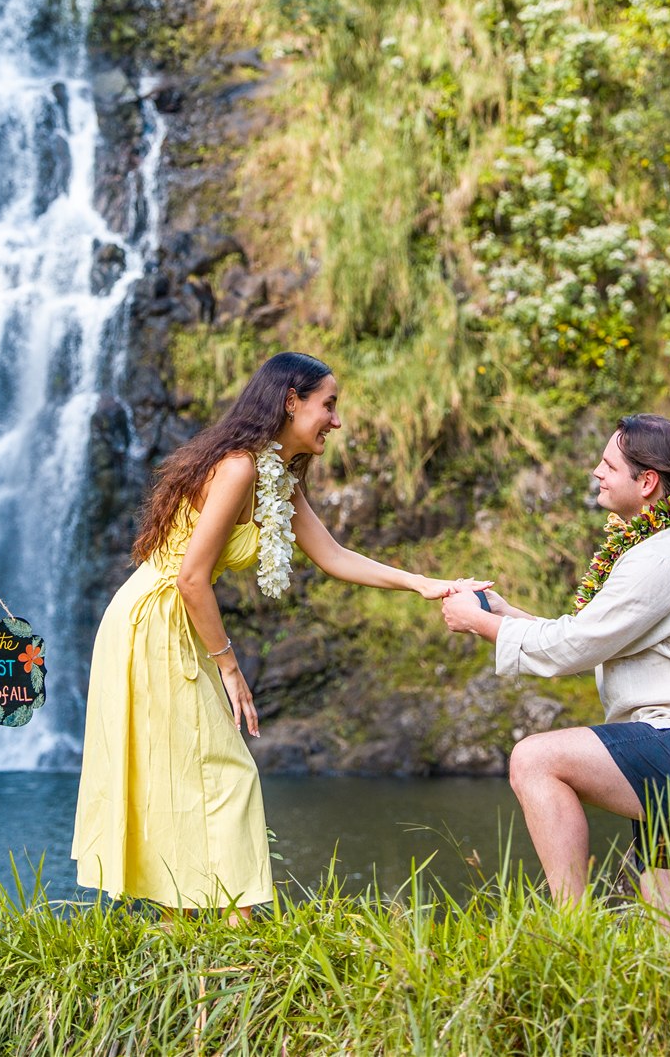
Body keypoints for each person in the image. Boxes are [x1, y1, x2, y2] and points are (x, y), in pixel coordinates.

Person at [72, 351, 488, 918]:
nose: (336, 422)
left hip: (174, 620)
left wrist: (424, 584)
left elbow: (335, 556)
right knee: (218, 767)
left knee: (192, 767)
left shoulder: (275, 478)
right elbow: (193, 577)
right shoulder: (240, 468)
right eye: (329, 405)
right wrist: (231, 668)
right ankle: (231, 924)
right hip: (153, 620)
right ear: (291, 401)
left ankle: (189, 922)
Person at [439, 414, 670, 916]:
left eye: (609, 464)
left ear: (647, 482)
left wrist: (480, 624)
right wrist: (504, 613)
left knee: (534, 758)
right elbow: (592, 639)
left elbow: (574, 646)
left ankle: (573, 930)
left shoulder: (664, 557)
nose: (596, 471)